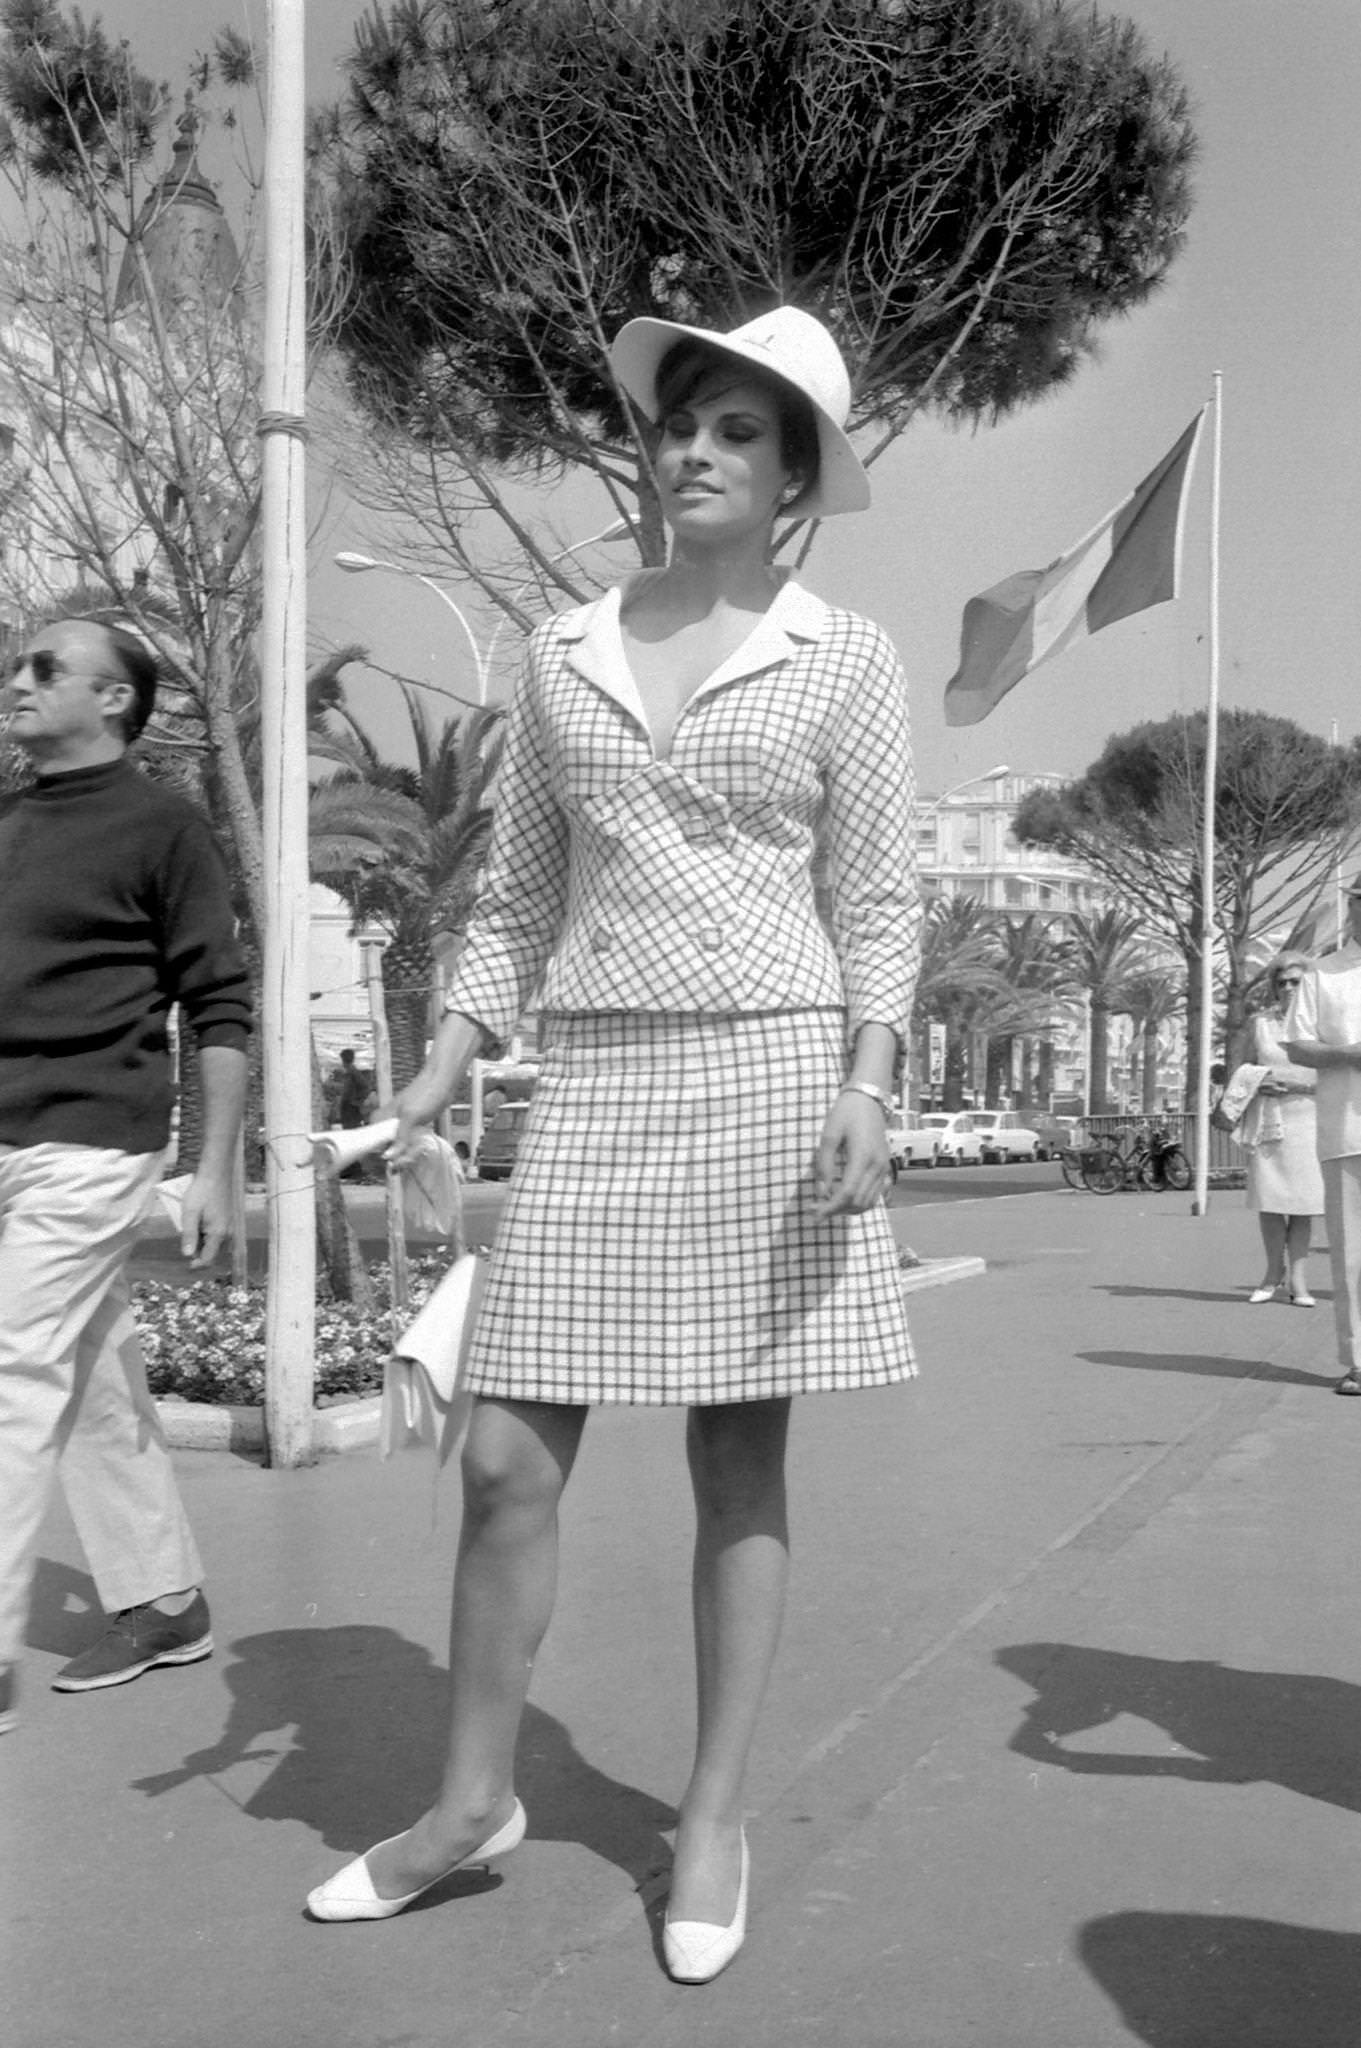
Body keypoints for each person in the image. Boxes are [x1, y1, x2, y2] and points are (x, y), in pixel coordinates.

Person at [306, 307, 919, 1981]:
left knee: (739, 1462)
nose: (695, 446)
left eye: (740, 427)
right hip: (592, 1084)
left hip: (775, 1076)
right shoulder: (558, 649)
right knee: (502, 1457)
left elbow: (873, 895)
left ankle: (712, 1814)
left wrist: (870, 1077)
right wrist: (444, 1064)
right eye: (682, 420)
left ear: (796, 472)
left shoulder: (842, 657)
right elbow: (509, 899)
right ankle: (466, 1806)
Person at [0, 619, 251, 1735]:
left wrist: (213, 1164)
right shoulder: (7, 818)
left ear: (114, 701)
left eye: (45, 667)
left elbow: (221, 1003)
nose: (18, 677)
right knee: (90, 1365)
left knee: (11, 1374)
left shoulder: (163, 825)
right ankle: (164, 1601)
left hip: (91, 1139)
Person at [1283, 879, 1361, 1392]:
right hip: (1346, 1127)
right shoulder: (1323, 974)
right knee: (1352, 1251)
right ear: (1354, 909)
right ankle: (1358, 1360)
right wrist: (1348, 1056)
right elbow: (1297, 1045)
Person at [1230, 953, 1323, 1305]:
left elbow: (1333, 1073)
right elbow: (1239, 1068)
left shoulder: (1321, 1024)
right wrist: (1256, 1084)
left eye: (1295, 981)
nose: (1287, 988)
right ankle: (1272, 1273)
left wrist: (1301, 1087)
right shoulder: (1260, 1024)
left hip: (1309, 1120)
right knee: (1270, 1201)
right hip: (1269, 1120)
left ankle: (1298, 1282)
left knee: (1303, 1204)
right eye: (1281, 982)